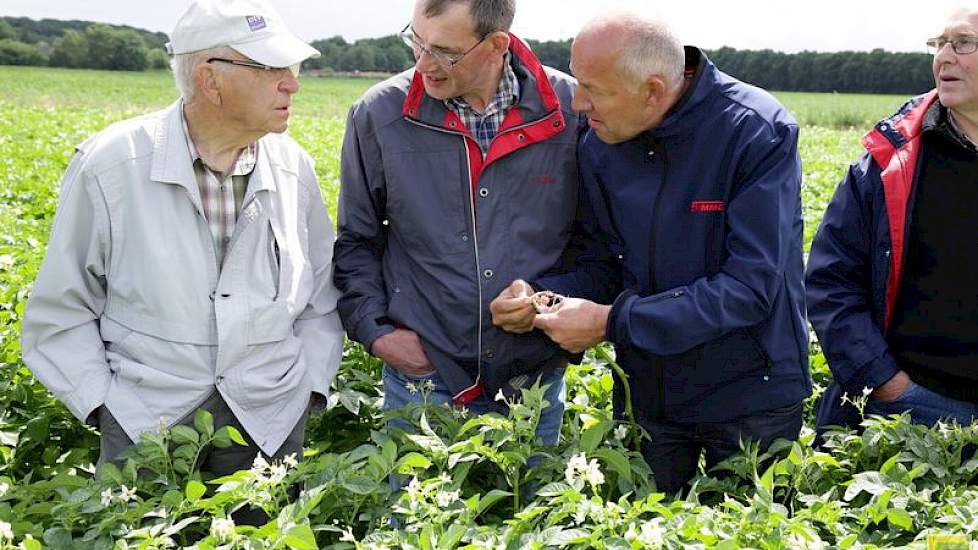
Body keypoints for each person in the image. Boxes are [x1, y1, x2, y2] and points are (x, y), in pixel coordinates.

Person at [21, 0, 343, 480]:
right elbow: (61, 309)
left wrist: (307, 390)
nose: (292, 84)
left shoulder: (293, 165)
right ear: (209, 79)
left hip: (269, 423)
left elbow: (320, 294)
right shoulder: (111, 164)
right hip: (145, 424)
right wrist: (106, 408)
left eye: (291, 68)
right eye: (271, 68)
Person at [491, 14, 811, 494]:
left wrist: (610, 323)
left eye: (592, 88)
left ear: (653, 90)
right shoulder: (601, 140)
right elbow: (601, 263)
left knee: (753, 532)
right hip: (649, 395)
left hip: (752, 397)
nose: (578, 103)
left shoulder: (754, 132)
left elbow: (747, 290)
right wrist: (541, 297)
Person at [334, 0, 582, 444]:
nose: (424, 64)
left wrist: (551, 303)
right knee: (416, 512)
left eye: (444, 52)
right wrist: (377, 333)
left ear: (495, 45)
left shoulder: (570, 110)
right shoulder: (378, 115)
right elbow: (357, 240)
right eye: (416, 41)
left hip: (533, 374)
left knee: (528, 507)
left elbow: (596, 239)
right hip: (423, 378)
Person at [808, 8, 978, 432]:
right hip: (910, 407)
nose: (944, 57)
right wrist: (886, 385)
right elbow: (832, 281)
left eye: (963, 43)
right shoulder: (889, 160)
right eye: (939, 43)